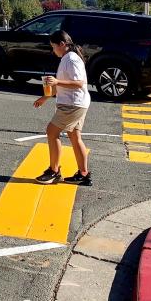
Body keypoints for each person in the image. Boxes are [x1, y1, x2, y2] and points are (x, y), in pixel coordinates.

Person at [33, 29, 91, 186]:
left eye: (54, 47)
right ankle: (83, 174)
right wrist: (46, 97)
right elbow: (67, 83)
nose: (53, 50)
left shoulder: (71, 59)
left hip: (72, 104)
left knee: (52, 132)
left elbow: (79, 83)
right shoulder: (68, 58)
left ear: (62, 44)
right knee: (74, 137)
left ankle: (54, 171)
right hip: (77, 103)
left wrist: (57, 82)